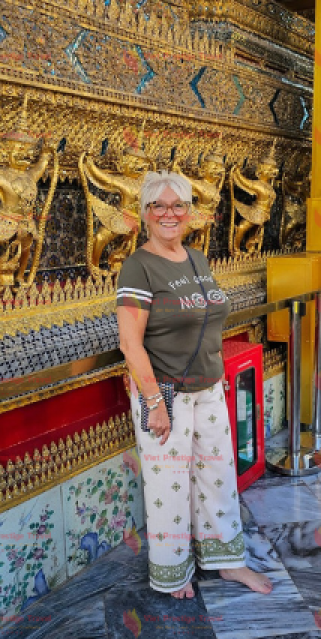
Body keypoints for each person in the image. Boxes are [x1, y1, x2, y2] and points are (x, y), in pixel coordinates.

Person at [116, 171, 272, 599]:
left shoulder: (197, 259)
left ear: (190, 213)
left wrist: (216, 376)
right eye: (158, 206)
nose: (169, 214)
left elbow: (209, 323)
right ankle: (172, 574)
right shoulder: (139, 266)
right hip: (162, 392)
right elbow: (130, 343)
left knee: (218, 475)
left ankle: (228, 562)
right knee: (169, 484)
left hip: (208, 389)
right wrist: (155, 403)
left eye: (177, 205)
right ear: (145, 214)